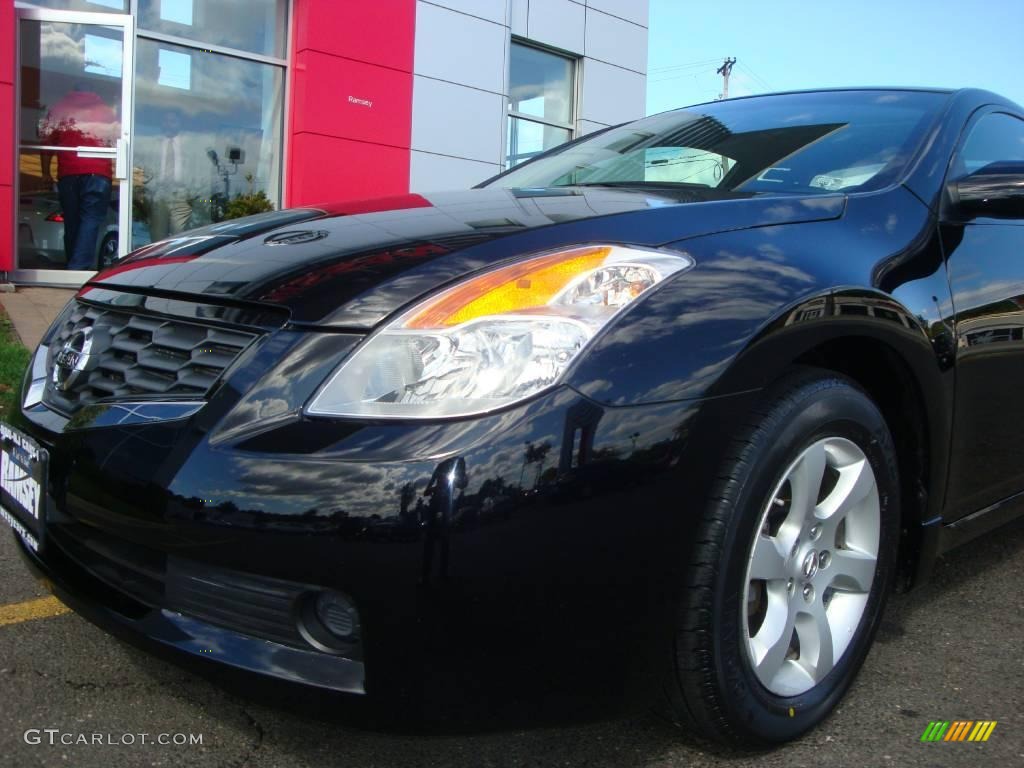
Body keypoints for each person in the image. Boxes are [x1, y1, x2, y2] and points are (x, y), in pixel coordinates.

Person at [39, 85, 118, 270]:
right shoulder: (106, 111)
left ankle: (73, 265)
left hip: (68, 173)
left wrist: (45, 173)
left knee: (72, 220)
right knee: (90, 219)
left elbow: (47, 144)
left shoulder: (59, 108)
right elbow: (117, 140)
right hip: (98, 173)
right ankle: (78, 267)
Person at [148, 109, 194, 240]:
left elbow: (198, 168)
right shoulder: (154, 143)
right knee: (157, 238)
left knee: (179, 238)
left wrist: (192, 193)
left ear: (180, 124)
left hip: (181, 195)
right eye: (166, 121)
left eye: (173, 121)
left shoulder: (189, 143)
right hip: (159, 194)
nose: (169, 124)